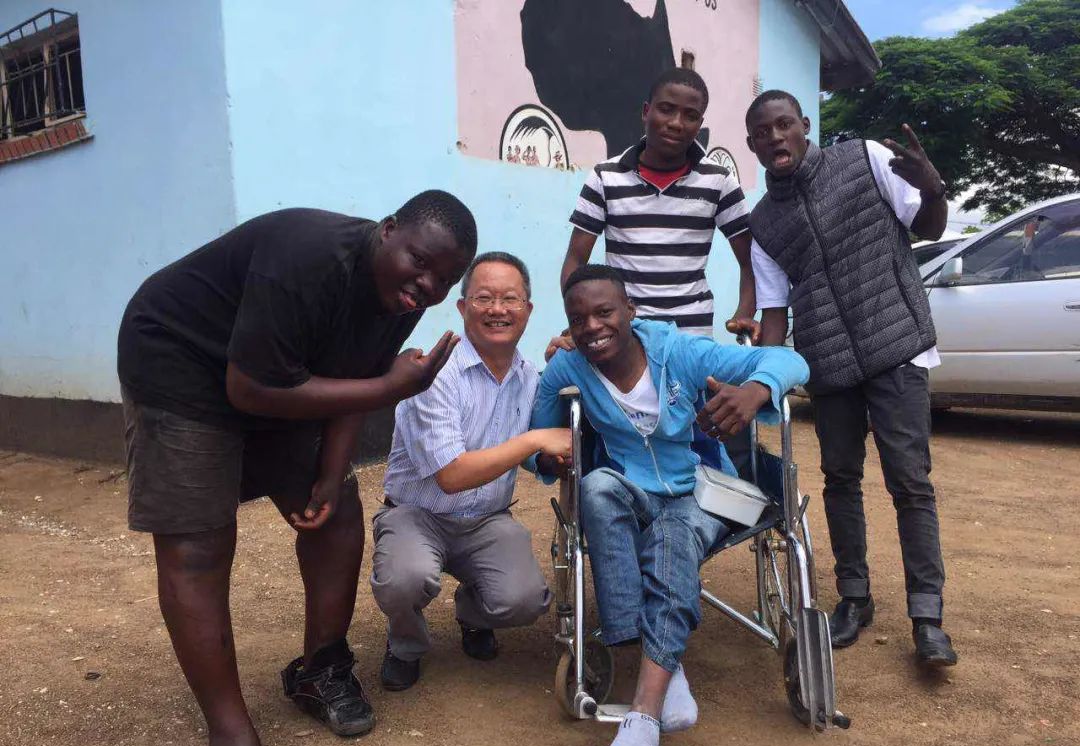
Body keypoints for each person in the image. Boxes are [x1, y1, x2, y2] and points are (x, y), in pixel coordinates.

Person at [116, 191, 477, 746]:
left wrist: (331, 474)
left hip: (280, 377)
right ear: (388, 229)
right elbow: (251, 388)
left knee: (336, 514)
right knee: (199, 543)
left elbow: (360, 376)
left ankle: (321, 670)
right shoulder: (305, 256)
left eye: (443, 280)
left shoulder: (401, 293)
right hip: (181, 364)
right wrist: (392, 388)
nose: (427, 285)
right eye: (420, 262)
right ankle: (230, 733)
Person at [530, 265, 809, 746]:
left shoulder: (679, 353)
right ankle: (661, 663)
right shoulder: (569, 365)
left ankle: (642, 725)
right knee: (596, 487)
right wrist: (546, 458)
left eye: (604, 312)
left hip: (699, 491)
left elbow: (790, 361)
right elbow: (539, 438)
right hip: (630, 491)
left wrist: (755, 390)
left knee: (671, 534)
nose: (592, 327)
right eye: (578, 319)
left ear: (630, 311)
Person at [744, 89, 958, 667]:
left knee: (910, 482)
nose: (775, 137)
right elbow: (774, 310)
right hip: (829, 364)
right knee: (840, 481)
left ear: (804, 125)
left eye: (784, 125)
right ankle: (855, 599)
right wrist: (761, 378)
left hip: (897, 348)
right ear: (752, 144)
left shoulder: (864, 158)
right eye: (763, 132)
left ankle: (927, 616)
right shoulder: (763, 222)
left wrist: (933, 188)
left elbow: (929, 227)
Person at [372, 252, 564, 690]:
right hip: (417, 514)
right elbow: (451, 476)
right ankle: (405, 646)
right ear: (462, 307)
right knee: (405, 579)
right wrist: (535, 441)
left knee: (525, 600)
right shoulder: (433, 373)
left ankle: (474, 613)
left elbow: (530, 455)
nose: (498, 309)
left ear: (528, 310)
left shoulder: (529, 377)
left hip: (486, 520)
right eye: (484, 298)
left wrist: (546, 451)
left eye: (510, 299)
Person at [560, 67, 759, 341]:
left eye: (690, 116)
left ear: (699, 123)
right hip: (624, 335)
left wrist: (745, 312)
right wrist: (579, 319)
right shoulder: (605, 177)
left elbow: (751, 261)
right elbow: (575, 259)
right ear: (646, 111)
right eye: (666, 109)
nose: (676, 123)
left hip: (691, 338)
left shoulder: (719, 181)